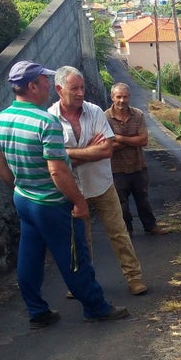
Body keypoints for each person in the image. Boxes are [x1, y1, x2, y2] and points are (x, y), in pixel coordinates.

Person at [0, 60, 129, 327]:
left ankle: (36, 310)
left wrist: (18, 186)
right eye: (43, 83)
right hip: (51, 202)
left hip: (24, 199)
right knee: (75, 256)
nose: (48, 88)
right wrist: (78, 201)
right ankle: (95, 307)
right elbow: (58, 171)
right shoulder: (46, 121)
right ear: (31, 87)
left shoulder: (1, 117)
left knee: (30, 255)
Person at [48, 66, 148, 296]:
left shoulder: (94, 112)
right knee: (80, 240)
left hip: (102, 184)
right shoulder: (50, 118)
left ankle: (134, 278)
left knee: (119, 233)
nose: (81, 93)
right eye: (75, 88)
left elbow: (105, 151)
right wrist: (87, 150)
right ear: (59, 89)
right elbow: (54, 162)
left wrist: (69, 153)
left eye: (82, 87)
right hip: (72, 189)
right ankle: (82, 283)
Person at [105, 82, 168, 236]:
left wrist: (118, 138)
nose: (122, 100)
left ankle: (150, 226)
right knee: (121, 204)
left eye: (125, 97)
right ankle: (127, 230)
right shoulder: (104, 117)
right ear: (112, 97)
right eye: (118, 97)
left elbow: (143, 141)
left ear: (129, 97)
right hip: (116, 168)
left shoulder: (138, 114)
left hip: (138, 166)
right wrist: (131, 140)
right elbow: (107, 145)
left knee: (143, 200)